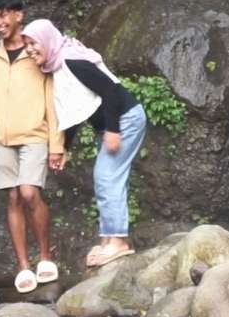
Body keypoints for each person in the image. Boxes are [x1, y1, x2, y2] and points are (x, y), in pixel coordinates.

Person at [20, 19, 147, 267]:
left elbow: (110, 90)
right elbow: (76, 110)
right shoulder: (58, 66)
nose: (29, 49)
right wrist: (65, 148)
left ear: (46, 40)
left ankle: (118, 241)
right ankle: (110, 238)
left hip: (125, 119)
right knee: (107, 175)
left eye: (33, 42)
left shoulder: (71, 61)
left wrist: (112, 129)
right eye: (26, 44)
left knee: (107, 175)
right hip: (118, 121)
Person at [0, 0, 65, 292]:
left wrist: (57, 143)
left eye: (3, 16)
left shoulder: (36, 50)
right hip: (1, 136)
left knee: (29, 193)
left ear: (18, 16)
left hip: (35, 134)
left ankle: (45, 257)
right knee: (13, 197)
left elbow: (53, 99)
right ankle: (24, 266)